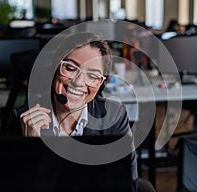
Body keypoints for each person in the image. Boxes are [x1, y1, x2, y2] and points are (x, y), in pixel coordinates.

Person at [19, 32, 139, 191]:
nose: (78, 82)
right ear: (55, 68)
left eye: (92, 75)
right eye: (70, 68)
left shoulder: (114, 116)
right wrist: (32, 147)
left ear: (100, 84)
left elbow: (128, 183)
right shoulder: (23, 119)